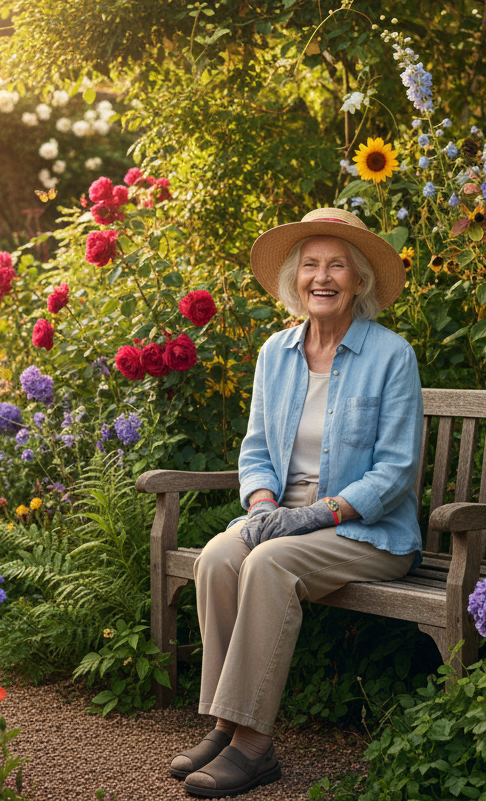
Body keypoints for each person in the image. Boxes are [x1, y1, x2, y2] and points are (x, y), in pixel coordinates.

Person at [171, 207, 424, 797]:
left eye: (337, 265)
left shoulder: (392, 356)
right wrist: (262, 505)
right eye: (310, 265)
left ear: (358, 281)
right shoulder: (274, 353)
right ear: (295, 280)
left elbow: (397, 471)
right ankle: (227, 723)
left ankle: (255, 748)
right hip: (282, 518)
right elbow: (256, 448)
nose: (322, 277)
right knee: (216, 557)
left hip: (367, 530)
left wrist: (319, 513)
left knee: (268, 563)